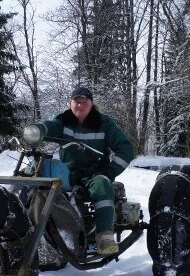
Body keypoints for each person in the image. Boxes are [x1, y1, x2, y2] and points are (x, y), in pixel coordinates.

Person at [23, 86, 135, 255]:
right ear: (70, 103)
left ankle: (104, 237)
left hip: (94, 173)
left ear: (91, 104)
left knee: (102, 185)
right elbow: (51, 126)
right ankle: (25, 228)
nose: (80, 105)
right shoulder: (63, 120)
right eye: (77, 101)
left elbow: (126, 149)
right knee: (30, 175)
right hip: (67, 172)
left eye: (85, 101)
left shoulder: (103, 123)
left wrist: (109, 171)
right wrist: (39, 130)